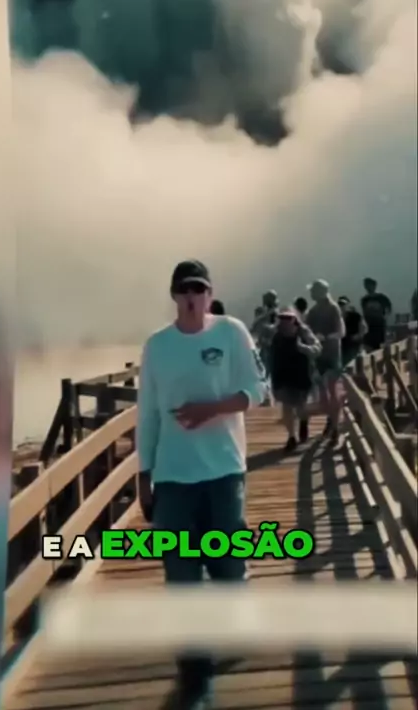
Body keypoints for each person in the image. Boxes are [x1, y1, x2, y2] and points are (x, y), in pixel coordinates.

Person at [137, 259, 268, 709]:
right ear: (174, 295)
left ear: (210, 294)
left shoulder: (231, 333)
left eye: (199, 289)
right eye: (184, 290)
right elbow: (148, 413)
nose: (192, 297)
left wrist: (212, 408)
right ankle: (195, 673)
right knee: (181, 573)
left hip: (224, 471)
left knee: (227, 565)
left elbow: (258, 389)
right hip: (173, 476)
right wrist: (143, 475)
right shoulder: (157, 346)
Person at [269, 308, 321, 452]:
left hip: (301, 373)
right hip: (282, 374)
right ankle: (291, 437)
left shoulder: (303, 332)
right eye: (282, 318)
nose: (285, 321)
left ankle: (303, 421)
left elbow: (317, 349)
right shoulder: (275, 333)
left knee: (301, 406)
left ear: (295, 319)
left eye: (288, 318)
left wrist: (302, 348)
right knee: (287, 406)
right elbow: (268, 349)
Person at [306, 280, 345, 443]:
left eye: (313, 291)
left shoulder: (333, 308)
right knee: (323, 394)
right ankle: (332, 420)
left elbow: (340, 331)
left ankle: (335, 427)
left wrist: (327, 337)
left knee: (331, 390)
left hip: (331, 355)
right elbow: (307, 331)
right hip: (319, 355)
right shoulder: (313, 311)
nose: (311, 294)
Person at [360, 278, 392, 351]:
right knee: (369, 347)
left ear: (374, 286)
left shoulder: (381, 298)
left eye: (370, 285)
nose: (368, 288)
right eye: (366, 286)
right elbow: (364, 312)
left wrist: (385, 317)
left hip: (379, 326)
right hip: (369, 326)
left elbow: (389, 308)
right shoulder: (364, 299)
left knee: (379, 346)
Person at [337, 296, 367, 366]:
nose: (342, 306)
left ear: (348, 305)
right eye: (340, 304)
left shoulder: (355, 316)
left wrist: (358, 335)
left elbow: (364, 328)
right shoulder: (336, 317)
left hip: (353, 344)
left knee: (352, 363)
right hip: (341, 345)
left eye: (344, 304)